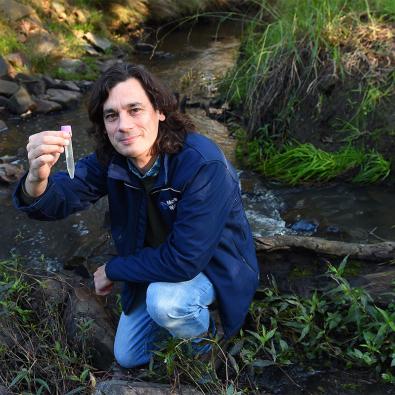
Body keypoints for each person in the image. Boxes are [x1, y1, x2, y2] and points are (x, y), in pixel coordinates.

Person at [13, 63, 259, 368]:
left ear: (160, 111)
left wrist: (114, 269)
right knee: (129, 356)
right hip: (156, 269)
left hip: (214, 268)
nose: (124, 125)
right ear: (103, 125)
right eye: (111, 115)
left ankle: (205, 346)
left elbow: (185, 259)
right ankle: (180, 330)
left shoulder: (202, 164)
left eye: (135, 110)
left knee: (165, 303)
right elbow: (60, 200)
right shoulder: (113, 161)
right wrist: (36, 177)